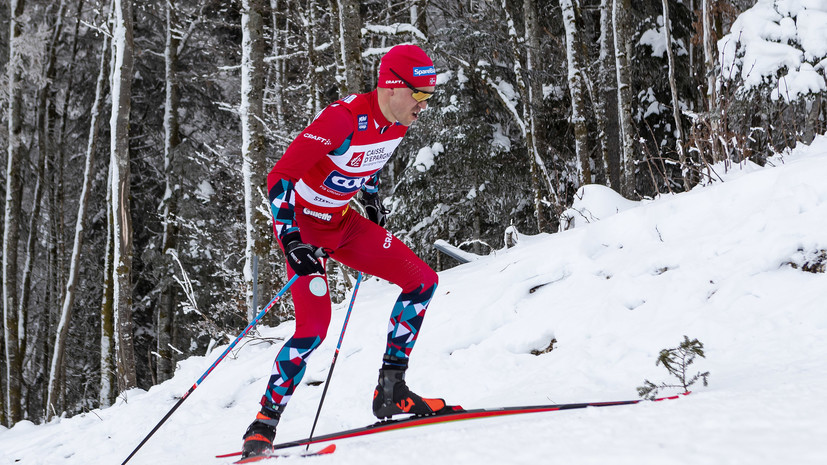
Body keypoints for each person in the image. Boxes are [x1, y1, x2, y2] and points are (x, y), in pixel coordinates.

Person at [241, 44, 449, 459]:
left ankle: (392, 390)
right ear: (392, 87)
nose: (425, 104)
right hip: (302, 230)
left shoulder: (398, 124)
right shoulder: (342, 119)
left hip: (344, 224)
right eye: (420, 94)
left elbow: (364, 164)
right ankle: (263, 424)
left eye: (430, 95)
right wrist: (292, 241)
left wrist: (370, 197)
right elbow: (279, 177)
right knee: (313, 329)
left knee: (422, 282)